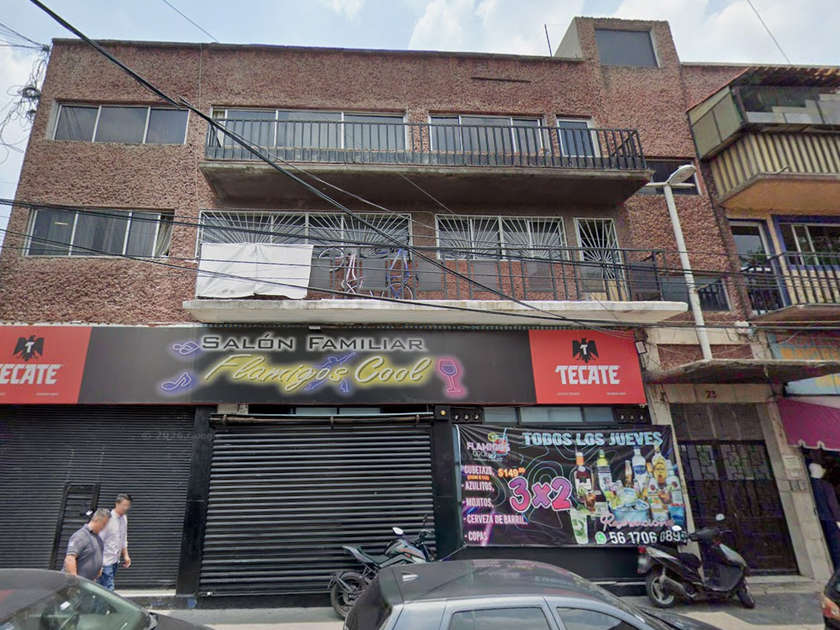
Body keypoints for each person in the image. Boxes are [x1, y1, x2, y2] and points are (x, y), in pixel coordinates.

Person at [64, 508, 111, 581]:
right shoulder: (81, 535)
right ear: (96, 520)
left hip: (87, 583)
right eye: (103, 524)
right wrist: (74, 581)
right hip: (74, 584)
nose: (104, 528)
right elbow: (69, 559)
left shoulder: (98, 539)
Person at [97, 493, 132, 591]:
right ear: (117, 504)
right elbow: (99, 541)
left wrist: (126, 555)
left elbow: (123, 538)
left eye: (128, 505)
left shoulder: (124, 519)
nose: (126, 508)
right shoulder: (108, 519)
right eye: (124, 505)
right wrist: (99, 563)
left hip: (115, 560)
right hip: (105, 561)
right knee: (109, 588)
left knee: (103, 589)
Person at [810, 462, 840, 569]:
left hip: (817, 518)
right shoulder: (825, 485)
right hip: (829, 518)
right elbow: (832, 504)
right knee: (835, 544)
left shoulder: (810, 485)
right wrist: (838, 519)